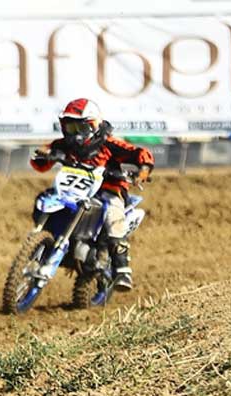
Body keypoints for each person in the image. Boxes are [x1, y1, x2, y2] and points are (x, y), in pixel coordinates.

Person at [30, 98, 154, 290]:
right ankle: (47, 238)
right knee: (45, 199)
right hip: (73, 189)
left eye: (80, 128)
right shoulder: (64, 144)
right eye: (71, 128)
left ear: (93, 125)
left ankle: (122, 270)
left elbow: (140, 153)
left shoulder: (109, 144)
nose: (75, 134)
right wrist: (44, 154)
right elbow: (42, 159)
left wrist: (142, 171)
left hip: (108, 190)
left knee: (113, 217)